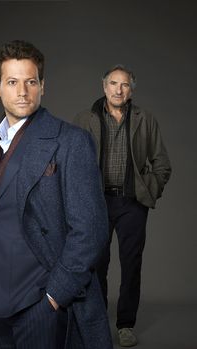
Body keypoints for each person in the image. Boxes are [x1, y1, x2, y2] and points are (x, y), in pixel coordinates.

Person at [0, 40, 113, 349]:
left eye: (30, 81)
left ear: (42, 86)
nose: (22, 91)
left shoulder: (71, 141)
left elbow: (92, 229)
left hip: (41, 305)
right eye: (12, 82)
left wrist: (53, 297)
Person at [74, 64, 172, 347]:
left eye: (125, 84)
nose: (119, 89)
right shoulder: (84, 119)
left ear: (131, 90)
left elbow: (162, 163)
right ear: (104, 87)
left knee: (131, 266)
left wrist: (148, 190)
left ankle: (126, 324)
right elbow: (70, 163)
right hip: (96, 203)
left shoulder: (145, 119)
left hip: (131, 203)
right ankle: (96, 320)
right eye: (113, 83)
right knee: (96, 264)